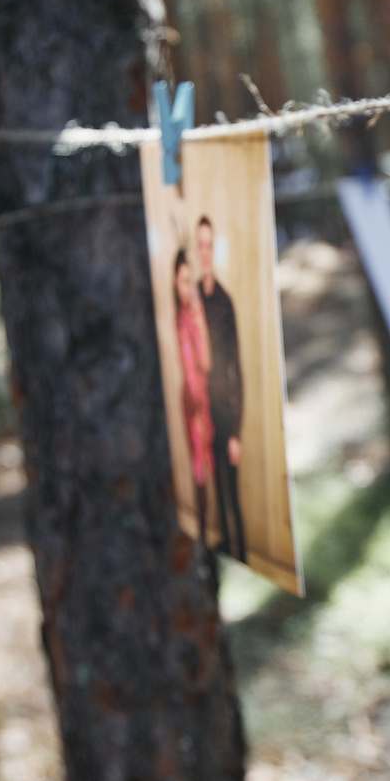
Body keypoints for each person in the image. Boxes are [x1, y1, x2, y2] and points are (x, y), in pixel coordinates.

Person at [196, 214, 247, 562]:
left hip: (226, 412)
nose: (204, 251)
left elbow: (235, 367)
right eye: (199, 245)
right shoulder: (193, 297)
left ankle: (240, 550)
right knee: (213, 488)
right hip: (203, 413)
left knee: (232, 492)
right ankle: (225, 548)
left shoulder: (224, 302)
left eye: (209, 245)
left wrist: (236, 432)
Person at [172, 248, 216, 546]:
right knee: (197, 464)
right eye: (182, 281)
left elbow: (206, 363)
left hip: (203, 396)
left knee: (208, 462)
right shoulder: (179, 318)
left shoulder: (195, 316)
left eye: (190, 281)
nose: (186, 287)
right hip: (190, 400)